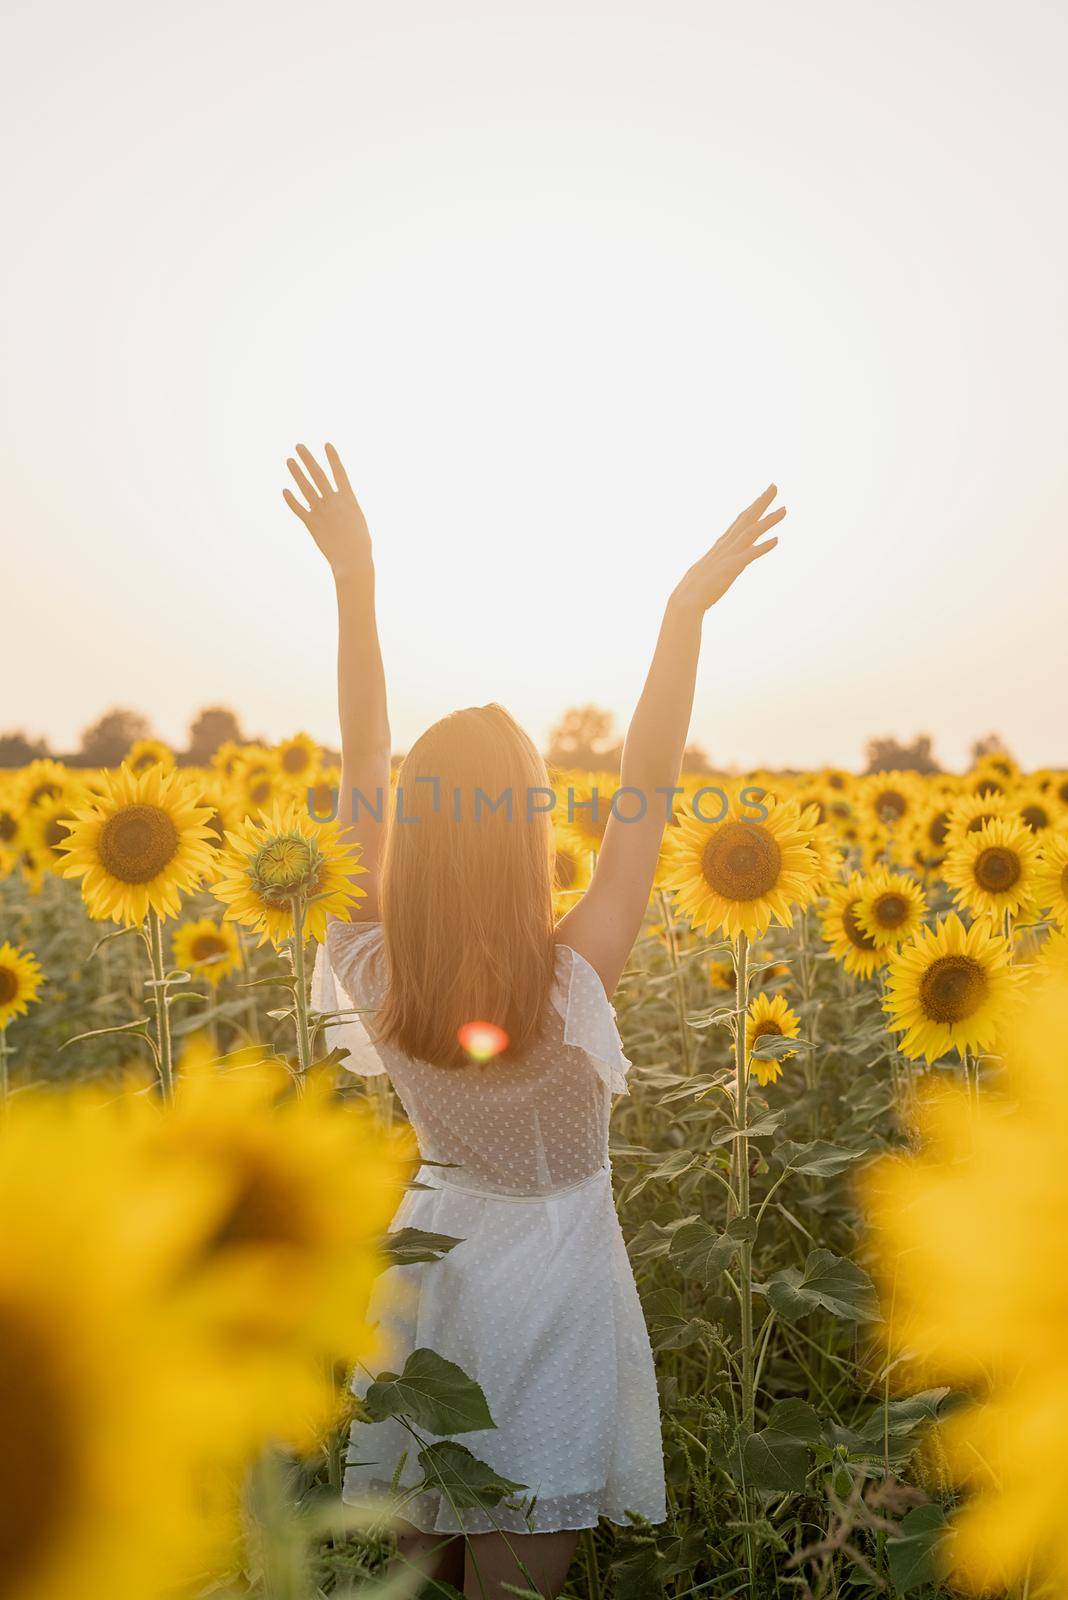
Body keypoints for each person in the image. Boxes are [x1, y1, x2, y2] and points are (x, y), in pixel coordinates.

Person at [286, 443, 785, 1599]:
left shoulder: (372, 961)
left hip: (435, 1276)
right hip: (554, 1286)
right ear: (529, 833)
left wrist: (354, 579)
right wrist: (681, 610)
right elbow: (649, 780)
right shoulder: (572, 977)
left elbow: (364, 756)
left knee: (422, 1577)